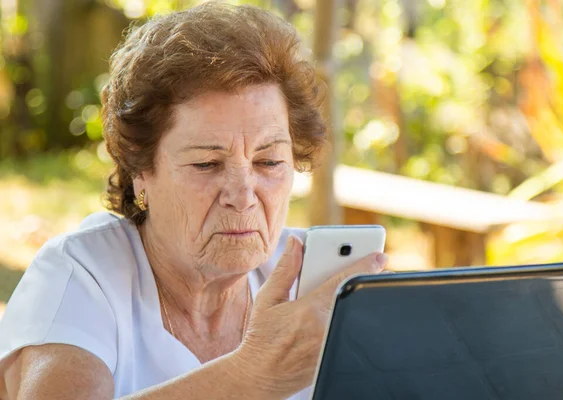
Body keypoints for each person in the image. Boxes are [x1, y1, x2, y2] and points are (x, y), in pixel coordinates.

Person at [0, 3, 387, 399]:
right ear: (140, 173)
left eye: (269, 161)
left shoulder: (311, 281)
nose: (242, 196)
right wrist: (252, 374)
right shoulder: (80, 277)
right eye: (207, 163)